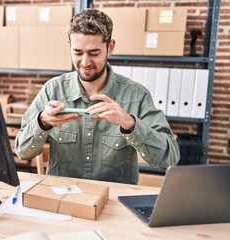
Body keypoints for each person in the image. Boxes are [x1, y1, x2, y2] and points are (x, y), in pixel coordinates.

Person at [15, 8, 180, 184]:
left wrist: (131, 124)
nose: (85, 62)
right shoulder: (53, 90)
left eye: (94, 53)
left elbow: (170, 158)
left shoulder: (137, 95)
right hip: (62, 198)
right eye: (77, 52)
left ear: (110, 48)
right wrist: (42, 122)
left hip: (114, 201)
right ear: (69, 46)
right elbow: (23, 152)